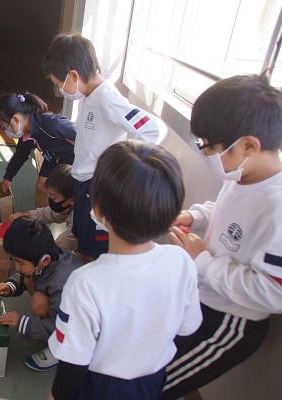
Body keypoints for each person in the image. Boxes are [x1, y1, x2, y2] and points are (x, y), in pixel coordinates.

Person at [49, 140, 202, 400]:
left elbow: (73, 364)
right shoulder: (182, 262)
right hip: (152, 379)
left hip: (100, 386)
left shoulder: (85, 282)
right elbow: (187, 331)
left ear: (98, 210)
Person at [162, 75, 282, 399]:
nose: (205, 153)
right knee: (152, 363)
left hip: (229, 323)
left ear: (248, 146)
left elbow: (274, 293)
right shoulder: (243, 175)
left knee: (151, 383)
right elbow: (224, 210)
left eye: (209, 147)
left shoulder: (277, 207)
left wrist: (203, 261)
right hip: (203, 296)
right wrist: (194, 217)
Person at [43, 34, 167, 261]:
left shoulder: (108, 98)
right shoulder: (88, 96)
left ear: (73, 75)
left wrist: (125, 170)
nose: (60, 89)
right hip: (82, 182)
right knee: (82, 240)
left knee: (92, 249)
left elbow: (154, 129)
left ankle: (87, 279)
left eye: (59, 84)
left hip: (97, 187)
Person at [0, 217, 81, 372]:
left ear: (44, 260)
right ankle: (39, 328)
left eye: (20, 262)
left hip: (76, 328)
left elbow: (62, 326)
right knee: (31, 282)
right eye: (14, 260)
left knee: (39, 303)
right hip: (65, 314)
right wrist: (11, 286)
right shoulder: (48, 257)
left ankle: (59, 350)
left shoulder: (63, 283)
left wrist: (23, 323)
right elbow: (28, 273)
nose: (16, 267)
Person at [0, 91, 75, 207]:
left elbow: (80, 135)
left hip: (73, 157)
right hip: (52, 156)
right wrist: (8, 177)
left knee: (67, 194)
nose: (6, 132)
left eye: (5, 128)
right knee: (41, 187)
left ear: (15, 120)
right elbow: (20, 156)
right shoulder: (26, 135)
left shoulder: (52, 124)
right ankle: (39, 216)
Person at [9, 164, 77, 252]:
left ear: (72, 199)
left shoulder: (82, 216)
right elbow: (52, 214)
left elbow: (69, 239)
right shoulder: (71, 202)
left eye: (54, 197)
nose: (50, 199)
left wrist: (44, 252)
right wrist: (27, 215)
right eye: (49, 195)